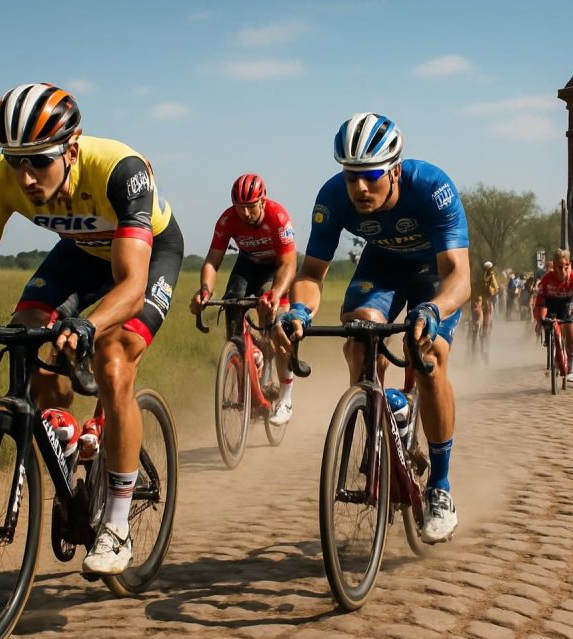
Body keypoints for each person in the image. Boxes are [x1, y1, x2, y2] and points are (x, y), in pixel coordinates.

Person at [0, 83, 185, 576]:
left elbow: (131, 286)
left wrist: (88, 325)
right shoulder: (1, 181)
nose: (26, 177)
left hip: (146, 254)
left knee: (113, 360)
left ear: (71, 150)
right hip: (79, 251)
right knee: (27, 333)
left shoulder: (121, 170)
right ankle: (68, 435)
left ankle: (117, 525)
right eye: (15, 162)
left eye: (40, 162)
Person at [273, 112, 470, 544]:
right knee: (360, 336)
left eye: (372, 176)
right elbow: (311, 274)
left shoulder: (433, 188)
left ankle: (440, 488)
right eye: (351, 176)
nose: (360, 188)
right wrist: (300, 312)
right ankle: (380, 414)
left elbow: (459, 276)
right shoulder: (333, 198)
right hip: (381, 267)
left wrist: (433, 310)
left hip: (433, 274)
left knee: (431, 352)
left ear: (395, 169)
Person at [190, 174, 298, 424]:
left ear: (263, 200)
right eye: (240, 207)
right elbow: (212, 261)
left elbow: (288, 264)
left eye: (251, 207)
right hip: (248, 264)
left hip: (277, 268)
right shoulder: (228, 219)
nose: (246, 213)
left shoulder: (278, 217)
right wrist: (205, 290)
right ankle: (248, 354)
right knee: (232, 306)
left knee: (278, 325)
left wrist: (276, 294)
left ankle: (285, 398)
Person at [532, 248, 573, 381]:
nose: (561, 271)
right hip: (552, 302)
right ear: (553, 266)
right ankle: (552, 344)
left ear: (569, 265)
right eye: (557, 267)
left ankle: (571, 367)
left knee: (571, 333)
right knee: (545, 319)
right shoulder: (546, 279)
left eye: (564, 267)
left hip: (569, 303)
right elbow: (540, 301)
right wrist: (539, 319)